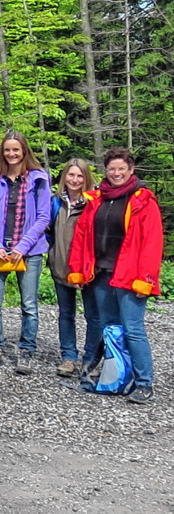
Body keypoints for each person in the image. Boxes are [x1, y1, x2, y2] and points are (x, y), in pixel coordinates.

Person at [68, 148, 163, 404]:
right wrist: (78, 269)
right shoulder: (96, 199)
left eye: (121, 168)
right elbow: (82, 237)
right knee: (105, 327)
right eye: (112, 169)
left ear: (131, 170)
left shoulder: (144, 200)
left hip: (131, 276)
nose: (117, 173)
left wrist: (147, 278)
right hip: (100, 273)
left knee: (133, 329)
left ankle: (144, 384)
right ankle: (108, 378)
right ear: (106, 171)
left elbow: (152, 243)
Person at [0, 130, 52, 373]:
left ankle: (26, 351)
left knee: (29, 305)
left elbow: (43, 217)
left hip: (28, 251)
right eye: (7, 149)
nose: (11, 154)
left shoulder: (39, 179)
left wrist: (23, 247)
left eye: (16, 150)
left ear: (24, 151)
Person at [48, 159, 93, 378]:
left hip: (86, 270)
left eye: (80, 176)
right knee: (66, 314)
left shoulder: (93, 203)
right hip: (60, 265)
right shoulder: (55, 202)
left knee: (93, 316)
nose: (75, 180)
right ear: (64, 176)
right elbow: (48, 232)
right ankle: (69, 356)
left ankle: (91, 358)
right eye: (71, 175)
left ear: (87, 179)